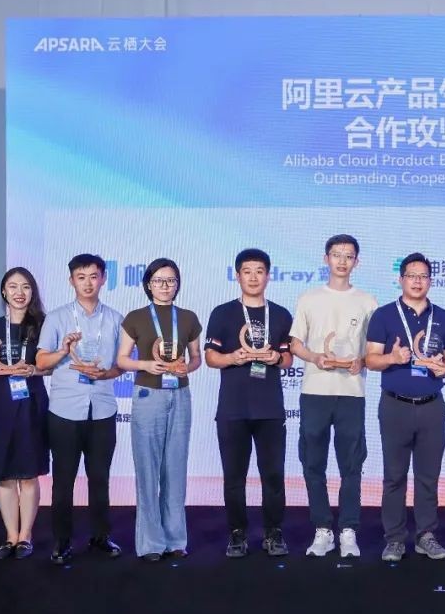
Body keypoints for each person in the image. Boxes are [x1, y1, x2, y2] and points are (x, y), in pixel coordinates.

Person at [289, 234, 378, 558]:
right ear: (326, 258)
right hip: (315, 391)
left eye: (348, 256)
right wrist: (314, 357)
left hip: (351, 393)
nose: (342, 261)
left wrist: (362, 361)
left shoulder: (368, 301)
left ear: (357, 262)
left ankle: (349, 530)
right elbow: (295, 343)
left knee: (352, 464)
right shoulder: (309, 298)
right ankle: (322, 529)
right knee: (313, 462)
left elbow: (374, 350)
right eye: (337, 254)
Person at [365, 253, 445, 562]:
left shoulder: (443, 317)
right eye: (411, 276)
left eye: (423, 276)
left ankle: (425, 535)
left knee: (428, 476)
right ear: (401, 279)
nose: (417, 281)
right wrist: (393, 358)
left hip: (432, 406)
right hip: (395, 406)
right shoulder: (384, 315)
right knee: (394, 476)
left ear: (430, 281)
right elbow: (370, 359)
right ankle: (394, 539)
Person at [36, 254, 124, 564]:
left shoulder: (115, 319)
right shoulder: (57, 318)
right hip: (64, 411)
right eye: (81, 277)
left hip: (102, 409)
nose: (88, 283)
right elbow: (40, 362)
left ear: (103, 279)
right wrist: (63, 350)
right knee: (63, 480)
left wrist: (106, 373)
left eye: (94, 276)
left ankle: (101, 536)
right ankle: (62, 541)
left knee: (100, 478)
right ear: (71, 280)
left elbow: (121, 366)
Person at [205, 249, 293, 558]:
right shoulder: (222, 313)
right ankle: (237, 534)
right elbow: (210, 357)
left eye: (259, 271)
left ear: (268, 275)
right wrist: (232, 357)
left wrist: (275, 357)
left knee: (273, 475)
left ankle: (273, 532)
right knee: (234, 477)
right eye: (247, 271)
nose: (253, 277)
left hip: (270, 409)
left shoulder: (281, 314)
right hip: (233, 409)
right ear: (237, 275)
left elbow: (288, 358)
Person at [116, 258, 202, 562]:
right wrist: (145, 365)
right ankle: (151, 543)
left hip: (180, 394)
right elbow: (121, 359)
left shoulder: (188, 318)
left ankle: (176, 539)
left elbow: (196, 358)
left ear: (178, 284)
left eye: (171, 281)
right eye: (159, 280)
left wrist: (188, 367)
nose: (165, 286)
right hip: (147, 394)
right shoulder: (136, 317)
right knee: (148, 469)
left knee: (175, 467)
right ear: (148, 284)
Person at [0, 267, 50, 560]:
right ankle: (10, 536)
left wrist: (32, 369)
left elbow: (51, 367)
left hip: (31, 400)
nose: (20, 292)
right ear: (4, 291)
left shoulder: (42, 324)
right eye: (13, 286)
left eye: (26, 286)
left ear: (32, 292)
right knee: (4, 474)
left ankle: (25, 535)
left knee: (28, 473)